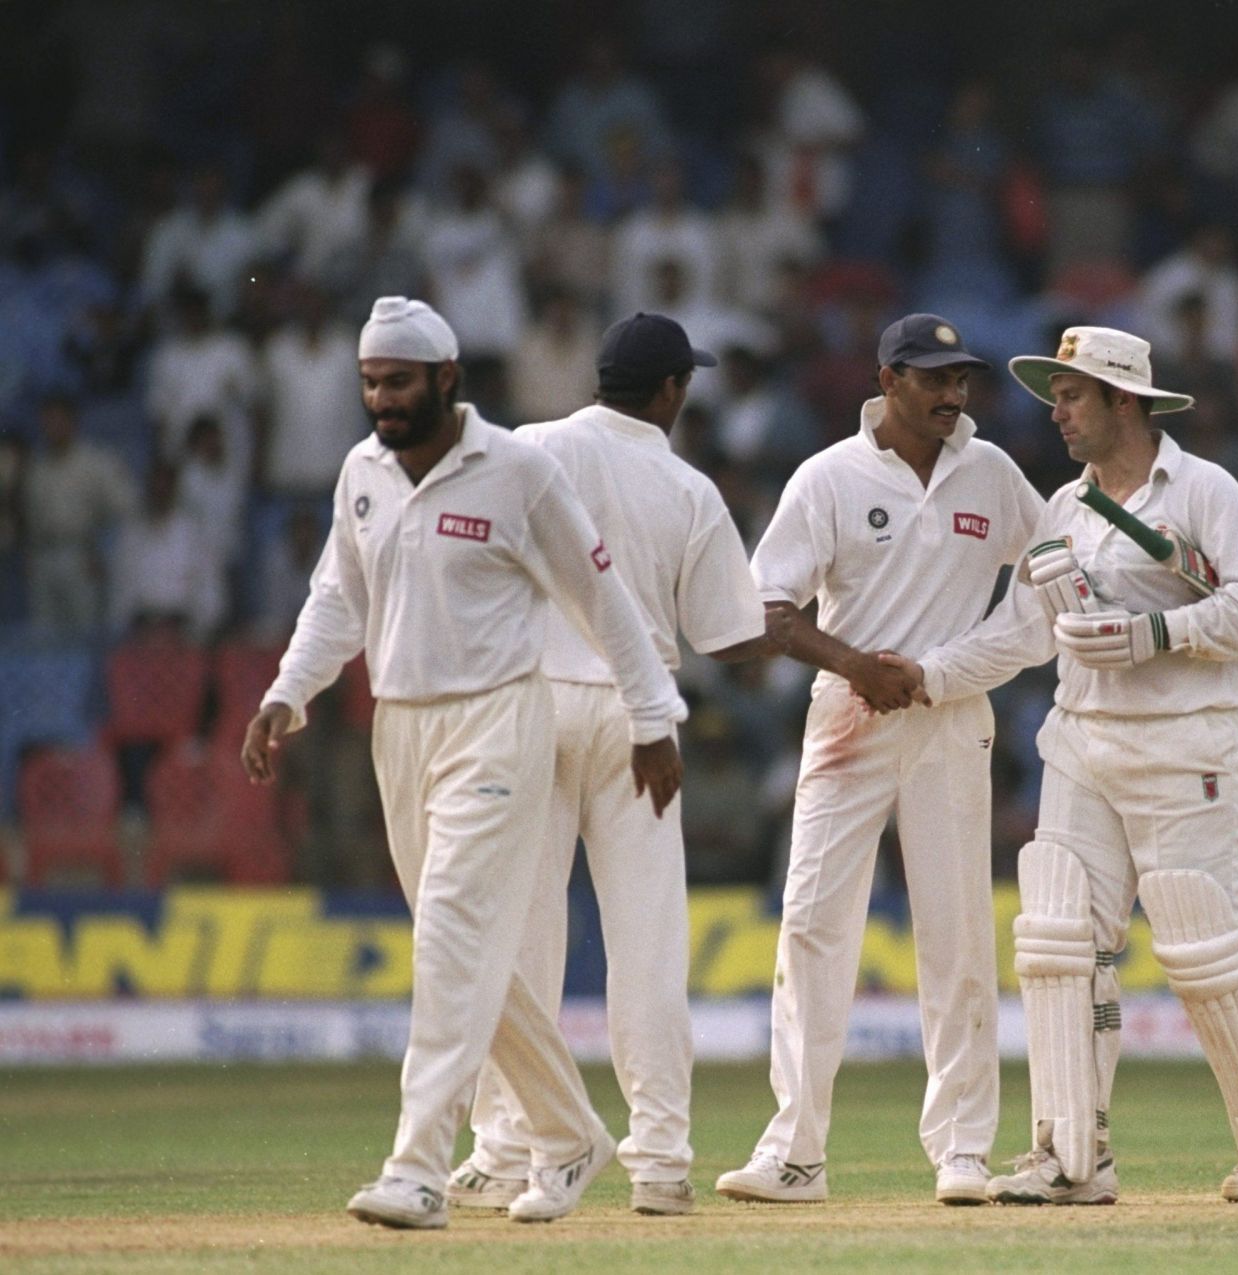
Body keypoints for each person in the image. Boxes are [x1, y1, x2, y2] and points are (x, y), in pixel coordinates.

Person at [240, 297, 687, 1230]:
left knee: (450, 935)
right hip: (399, 730)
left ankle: (417, 1167)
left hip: (499, 721)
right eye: (369, 382)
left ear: (447, 378)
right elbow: (337, 599)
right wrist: (289, 691)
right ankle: (567, 1133)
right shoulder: (361, 474)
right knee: (469, 948)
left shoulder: (518, 472)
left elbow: (604, 598)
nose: (380, 399)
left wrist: (651, 715)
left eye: (397, 381)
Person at [887, 326, 1238, 1204]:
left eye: (1074, 395)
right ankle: (1070, 1155)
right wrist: (927, 677)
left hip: (1186, 740)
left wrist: (1155, 631)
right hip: (1082, 737)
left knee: (1202, 947)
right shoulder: (1065, 508)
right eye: (1056, 395)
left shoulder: (1203, 489)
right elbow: (1023, 631)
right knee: (1056, 942)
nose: (1059, 411)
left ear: (1125, 399)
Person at [452, 312, 788, 1218]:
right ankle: (661, 1160)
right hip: (640, 717)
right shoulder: (687, 486)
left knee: (520, 934)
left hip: (527, 703)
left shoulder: (526, 448)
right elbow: (731, 636)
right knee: (647, 944)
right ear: (672, 390)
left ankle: (508, 1147)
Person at [714, 314, 1044, 1206]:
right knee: (815, 925)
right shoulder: (829, 476)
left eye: (962, 380)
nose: (952, 395)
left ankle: (964, 1148)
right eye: (934, 378)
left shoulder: (994, 474)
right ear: (889, 380)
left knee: (958, 933)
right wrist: (855, 664)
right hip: (849, 717)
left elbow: (1050, 579)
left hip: (952, 717)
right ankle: (796, 1152)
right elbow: (768, 607)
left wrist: (941, 671)